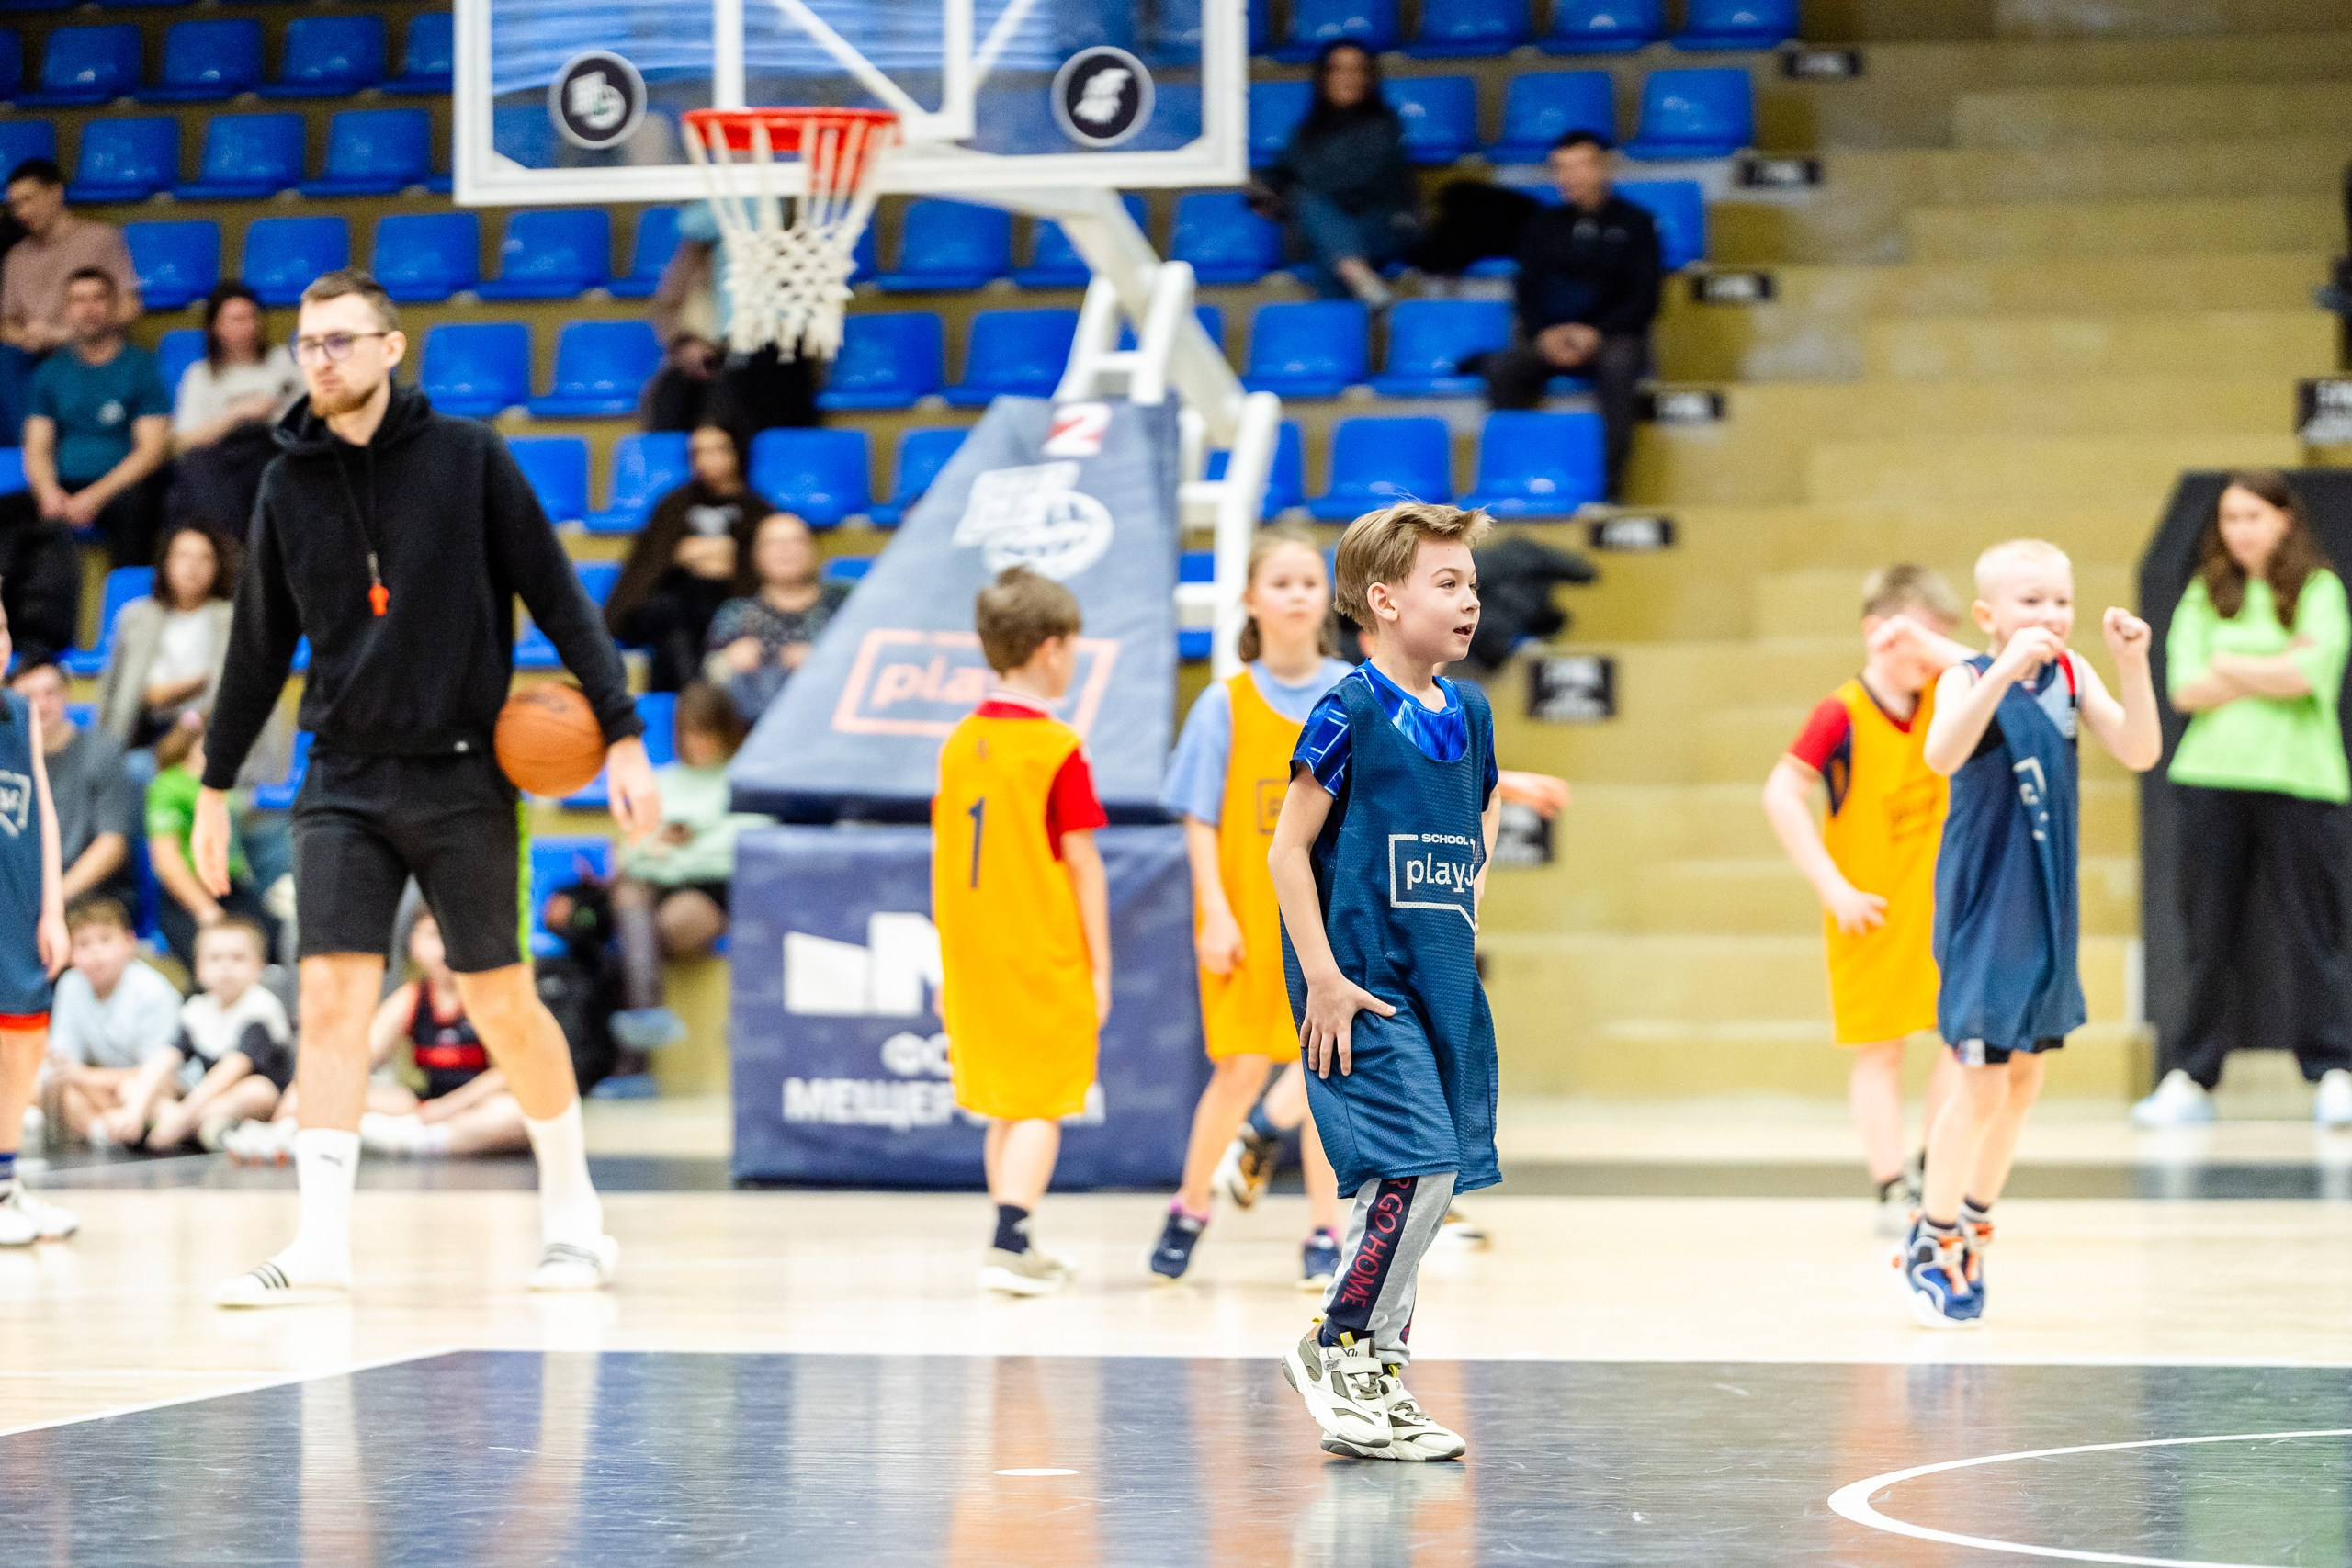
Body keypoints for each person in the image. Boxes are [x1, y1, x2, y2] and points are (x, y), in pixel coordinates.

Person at [191, 268, 660, 1307]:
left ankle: (575, 1216)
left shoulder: (469, 459)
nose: (321, 359)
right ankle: (319, 1242)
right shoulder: (284, 484)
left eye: (342, 341)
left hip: (465, 777)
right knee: (327, 998)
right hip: (342, 779)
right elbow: (259, 647)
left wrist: (621, 736)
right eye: (308, 343)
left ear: (391, 348)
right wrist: (216, 785)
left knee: (499, 999)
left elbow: (558, 594)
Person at [1269, 501, 1499, 1464]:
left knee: (1429, 1184)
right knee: (1415, 1167)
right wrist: (1320, 976)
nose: (1469, 602)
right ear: (1382, 599)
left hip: (1442, 979)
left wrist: (1468, 909)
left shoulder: (1473, 711)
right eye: (1446, 583)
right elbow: (1286, 851)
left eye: (1471, 585)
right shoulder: (1348, 709)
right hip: (1359, 984)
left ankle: (1379, 1375)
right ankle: (1337, 1345)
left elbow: (1478, 819)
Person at [1901, 540, 2161, 1328]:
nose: (2049, 615)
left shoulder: (2074, 676)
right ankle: (1929, 1240)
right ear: (1987, 616)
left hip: (2047, 901)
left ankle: (1975, 1226)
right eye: (2030, 602)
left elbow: (2142, 750)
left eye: (2059, 600)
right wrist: (2005, 668)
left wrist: (2132, 664)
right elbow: (1942, 752)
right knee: (1978, 1079)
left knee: (2022, 1081)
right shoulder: (1967, 677)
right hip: (1985, 902)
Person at [1148, 528, 1352, 1289]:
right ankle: (1190, 1207)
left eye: (1309, 581)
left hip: (1324, 922)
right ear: (1251, 600)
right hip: (1247, 915)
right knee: (1237, 1073)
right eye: (1283, 581)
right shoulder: (1223, 704)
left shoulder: (1352, 691)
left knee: (1329, 1076)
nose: (1298, 593)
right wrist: (1215, 912)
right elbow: (1199, 817)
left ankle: (1325, 1230)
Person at [2134, 473, 2352, 1128]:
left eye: (2254, 516)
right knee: (2208, 933)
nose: (2241, 530)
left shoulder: (2319, 589)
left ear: (2284, 520)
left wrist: (2231, 662)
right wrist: (2272, 664)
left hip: (2302, 781)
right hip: (2212, 778)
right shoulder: (2204, 594)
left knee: (2317, 934)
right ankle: (2191, 1075)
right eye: (2230, 518)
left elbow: (2308, 675)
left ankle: (2335, 1068)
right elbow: (2185, 688)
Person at [1761, 566, 1970, 1234]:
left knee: (1965, 1041)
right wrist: (1833, 886)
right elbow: (1780, 792)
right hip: (1871, 909)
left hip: (1946, 909)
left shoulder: (1949, 692)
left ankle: (1937, 1162)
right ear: (1879, 633)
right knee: (1881, 1051)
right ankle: (1889, 1183)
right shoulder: (1841, 712)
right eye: (1924, 640)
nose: (1934, 656)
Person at [932, 567, 1111, 1298]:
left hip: (972, 951)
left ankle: (1015, 1235)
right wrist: (1101, 965)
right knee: (1041, 1101)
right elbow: (1085, 864)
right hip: (1039, 948)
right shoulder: (1056, 746)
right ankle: (1009, 1240)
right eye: (1072, 645)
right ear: (1048, 648)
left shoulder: (957, 741)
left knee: (1006, 1101)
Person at [230, 909, 531, 1161]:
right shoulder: (412, 998)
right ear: (414, 945)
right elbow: (357, 1058)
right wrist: (306, 1095)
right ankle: (284, 1137)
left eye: (455, 937)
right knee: (329, 1089)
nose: (445, 949)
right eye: (434, 936)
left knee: (517, 1114)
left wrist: (447, 1109)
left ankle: (419, 1141)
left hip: (472, 1107)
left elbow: (507, 1074)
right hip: (421, 1107)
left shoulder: (488, 997)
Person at [1472, 131, 1662, 502]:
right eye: (1560, 168)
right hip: (1550, 336)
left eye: (1578, 166)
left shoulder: (1637, 223)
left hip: (1613, 336)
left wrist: (1596, 332)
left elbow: (1645, 297)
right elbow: (1525, 291)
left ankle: (1606, 488)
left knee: (1620, 365)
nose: (1568, 177)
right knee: (1500, 368)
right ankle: (1520, 476)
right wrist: (1544, 334)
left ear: (1603, 168)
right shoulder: (1541, 224)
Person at [607, 682, 768, 1064]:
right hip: (651, 891)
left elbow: (746, 845)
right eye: (690, 732)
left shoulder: (746, 780)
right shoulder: (662, 781)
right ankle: (646, 1019)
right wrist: (687, 844)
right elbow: (632, 853)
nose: (699, 743)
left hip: (712, 895)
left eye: (707, 731)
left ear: (726, 729)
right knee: (629, 897)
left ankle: (635, 1052)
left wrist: (676, 850)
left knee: (650, 931)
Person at [0, 589, 74, 1244]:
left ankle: (5, 1181)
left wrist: (53, 908)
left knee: (23, 1040)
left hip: (17, 897)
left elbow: (44, 811)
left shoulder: (19, 712)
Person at [21, 266, 173, 570]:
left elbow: (151, 451)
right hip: (62, 485)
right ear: (66, 311)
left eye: (97, 299)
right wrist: (48, 492)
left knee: (138, 507)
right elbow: (37, 446)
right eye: (78, 301)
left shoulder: (140, 366)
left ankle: (127, 611)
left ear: (114, 305)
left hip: (120, 487)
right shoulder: (49, 372)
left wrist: (95, 497)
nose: (88, 309)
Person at [605, 423, 768, 693]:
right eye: (698, 452)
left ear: (737, 453)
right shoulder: (674, 504)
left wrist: (698, 553)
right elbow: (650, 563)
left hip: (724, 607)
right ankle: (696, 704)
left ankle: (686, 708)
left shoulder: (756, 509)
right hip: (669, 604)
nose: (707, 460)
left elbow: (750, 570)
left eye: (718, 450)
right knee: (673, 612)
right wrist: (695, 552)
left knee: (687, 627)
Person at [1254, 41, 1417, 309]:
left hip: (1380, 226)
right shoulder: (1306, 131)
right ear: (1324, 78)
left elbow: (1359, 183)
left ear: (1368, 77)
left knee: (1311, 208)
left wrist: (1299, 185)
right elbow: (1281, 172)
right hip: (1327, 229)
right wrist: (1263, 192)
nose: (1347, 78)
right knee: (1325, 242)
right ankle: (1357, 276)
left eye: (1356, 70)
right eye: (1337, 70)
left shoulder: (1384, 125)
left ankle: (1351, 275)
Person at [642, 206, 819, 439]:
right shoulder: (696, 250)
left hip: (771, 353)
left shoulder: (790, 228)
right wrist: (687, 343)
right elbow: (669, 306)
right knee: (673, 393)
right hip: (715, 354)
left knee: (750, 374)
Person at [0, 158, 140, 440]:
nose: (21, 212)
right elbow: (6, 325)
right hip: (32, 357)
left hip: (85, 346)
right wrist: (27, 336)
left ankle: (33, 456)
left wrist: (67, 333)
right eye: (15, 205)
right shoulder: (16, 256)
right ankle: (28, 452)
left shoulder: (100, 239)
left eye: (28, 200)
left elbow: (129, 307)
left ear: (55, 193)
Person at [137, 919, 293, 1152]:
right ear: (199, 970)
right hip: (206, 1098)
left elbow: (234, 1068)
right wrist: (135, 1108)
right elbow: (167, 1057)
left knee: (257, 1090)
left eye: (237, 958)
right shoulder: (197, 1008)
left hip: (247, 1099)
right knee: (138, 1085)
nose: (225, 967)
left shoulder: (261, 1007)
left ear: (259, 967)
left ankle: (181, 1126)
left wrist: (183, 1115)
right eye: (215, 958)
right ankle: (200, 1128)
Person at [40, 896, 182, 1147]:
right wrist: (80, 1077)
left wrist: (85, 1077)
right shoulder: (71, 984)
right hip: (104, 1083)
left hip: (157, 1086)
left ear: (129, 943)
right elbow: (62, 1061)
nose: (95, 952)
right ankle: (106, 1132)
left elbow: (160, 1070)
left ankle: (119, 1129)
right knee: (50, 1086)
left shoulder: (153, 991)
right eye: (83, 943)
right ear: (70, 953)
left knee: (135, 1090)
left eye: (105, 939)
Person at [165, 282, 302, 542]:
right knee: (195, 470)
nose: (247, 326)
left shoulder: (283, 361)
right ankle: (229, 548)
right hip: (223, 456)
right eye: (236, 319)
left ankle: (234, 551)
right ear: (216, 327)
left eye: (252, 317)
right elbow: (182, 442)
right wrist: (238, 413)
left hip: (271, 448)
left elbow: (306, 419)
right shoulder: (200, 375)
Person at [145, 713, 273, 969]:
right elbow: (166, 860)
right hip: (189, 896)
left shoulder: (226, 784)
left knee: (274, 946)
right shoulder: (169, 786)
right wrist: (206, 911)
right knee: (216, 963)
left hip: (231, 888)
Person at [11, 659, 139, 908]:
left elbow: (111, 845)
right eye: (29, 696)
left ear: (67, 694)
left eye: (50, 693)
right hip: (24, 897)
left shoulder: (103, 751)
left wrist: (52, 902)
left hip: (90, 898)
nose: (41, 704)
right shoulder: (8, 760)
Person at [97, 524, 235, 750]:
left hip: (207, 740)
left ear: (218, 567)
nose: (193, 566)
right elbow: (119, 693)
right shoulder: (136, 617)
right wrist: (196, 683)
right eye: (184, 555)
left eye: (205, 558)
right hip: (141, 734)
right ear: (166, 562)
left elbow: (226, 693)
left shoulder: (231, 620)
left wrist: (164, 694)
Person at [704, 510, 849, 719]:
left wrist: (823, 660)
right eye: (774, 543)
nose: (785, 550)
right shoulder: (735, 613)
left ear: (813, 550)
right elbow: (707, 675)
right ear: (757, 556)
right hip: (751, 725)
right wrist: (727, 661)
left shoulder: (844, 605)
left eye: (796, 541)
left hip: (828, 718)